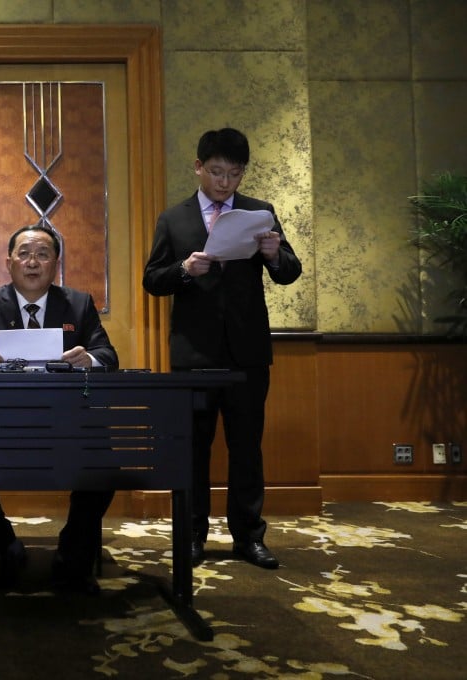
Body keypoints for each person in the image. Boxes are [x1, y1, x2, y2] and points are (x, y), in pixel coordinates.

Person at [141, 128, 302, 570]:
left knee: (246, 446)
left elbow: (289, 272)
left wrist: (272, 253)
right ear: (198, 167)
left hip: (248, 352)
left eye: (233, 174)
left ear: (242, 174)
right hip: (194, 353)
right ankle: (192, 535)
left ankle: (249, 536)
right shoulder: (173, 219)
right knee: (193, 446)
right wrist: (185, 269)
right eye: (216, 172)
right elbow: (152, 280)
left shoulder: (260, 213)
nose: (224, 182)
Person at [0, 223, 119, 594]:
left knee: (105, 465)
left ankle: (74, 554)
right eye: (24, 253)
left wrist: (88, 358)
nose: (32, 262)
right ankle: (2, 548)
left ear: (55, 264)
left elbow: (108, 355)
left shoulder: (78, 303)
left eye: (43, 254)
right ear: (9, 262)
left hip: (66, 425)